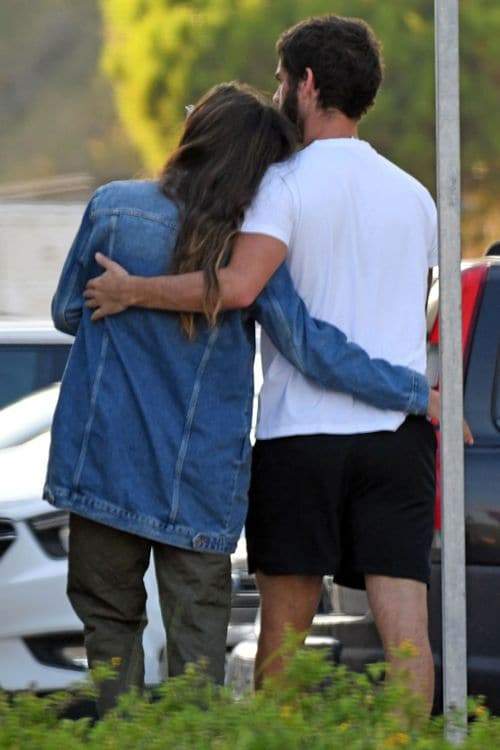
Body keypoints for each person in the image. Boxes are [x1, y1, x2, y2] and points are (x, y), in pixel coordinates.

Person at [82, 16, 467, 717]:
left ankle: (281, 739)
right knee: (407, 631)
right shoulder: (417, 196)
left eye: (283, 80)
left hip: (302, 439)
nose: (279, 92)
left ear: (308, 84)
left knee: (282, 641)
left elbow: (238, 289)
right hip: (398, 436)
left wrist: (130, 291)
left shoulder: (280, 185)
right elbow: (417, 316)